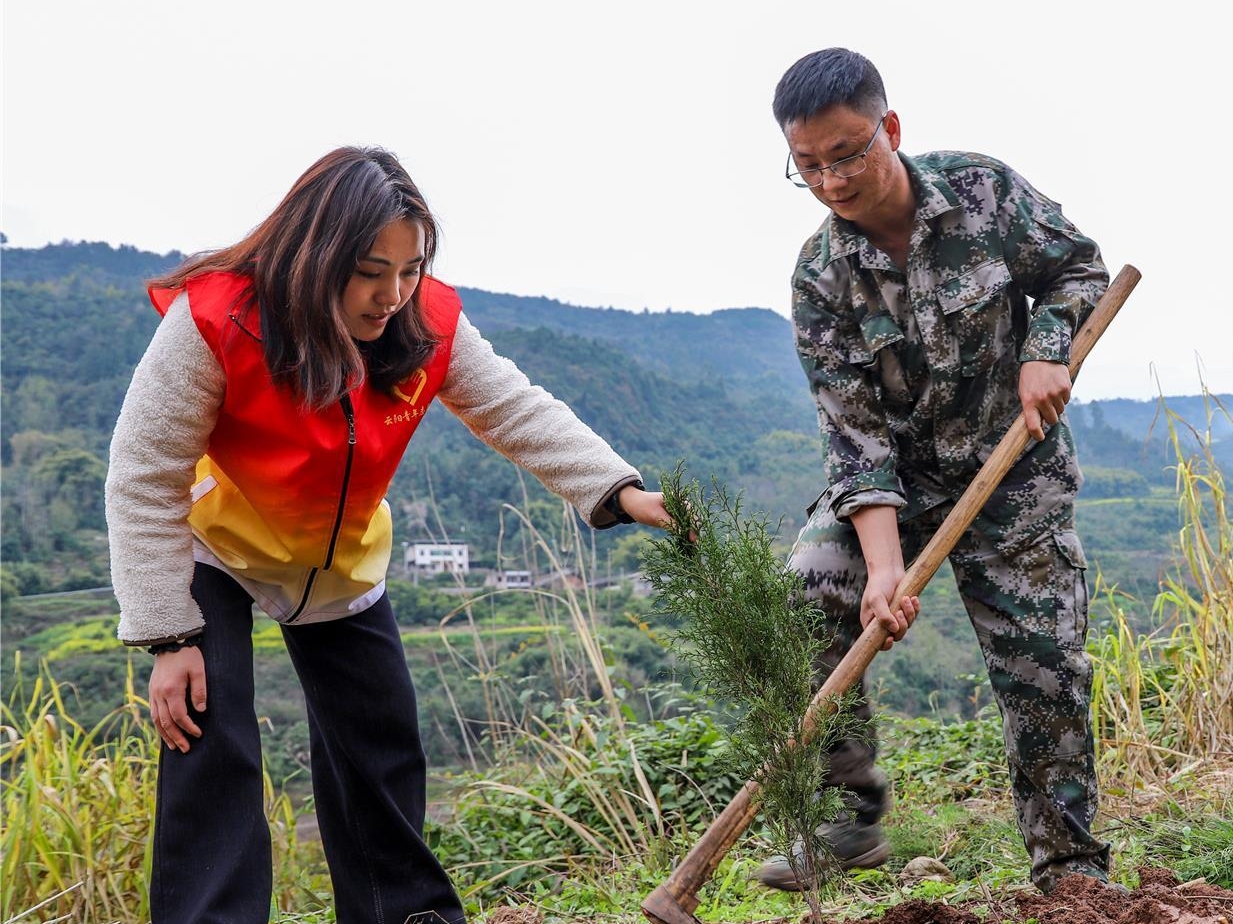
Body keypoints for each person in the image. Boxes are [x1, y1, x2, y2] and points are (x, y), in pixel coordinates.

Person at [106, 146, 675, 924]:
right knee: (213, 740)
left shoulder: (425, 320)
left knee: (380, 748)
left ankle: (407, 917)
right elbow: (143, 470)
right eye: (372, 270)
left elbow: (512, 407)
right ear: (318, 254)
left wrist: (619, 488)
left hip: (339, 560)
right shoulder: (215, 319)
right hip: (217, 548)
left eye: (410, 269)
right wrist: (169, 636)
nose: (393, 293)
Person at [761, 47, 1111, 893]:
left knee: (1043, 666)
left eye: (847, 154)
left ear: (891, 128)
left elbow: (1080, 267)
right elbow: (855, 439)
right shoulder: (821, 275)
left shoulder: (983, 192)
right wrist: (883, 568)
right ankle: (851, 814)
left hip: (1011, 467)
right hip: (902, 482)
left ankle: (1068, 871)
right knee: (809, 588)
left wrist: (1046, 349)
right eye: (806, 166)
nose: (832, 182)